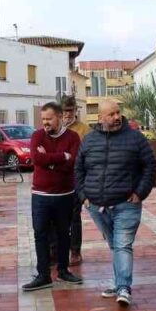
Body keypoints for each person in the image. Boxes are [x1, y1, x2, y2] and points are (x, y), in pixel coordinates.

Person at [75, 99, 156, 306]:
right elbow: (79, 169)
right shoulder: (89, 140)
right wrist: (83, 196)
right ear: (100, 118)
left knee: (122, 245)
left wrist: (140, 192)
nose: (116, 117)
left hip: (126, 204)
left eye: (118, 112)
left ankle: (123, 288)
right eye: (111, 114)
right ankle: (119, 282)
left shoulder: (136, 139)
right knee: (115, 245)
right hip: (97, 206)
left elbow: (150, 166)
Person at [22, 102, 83, 291]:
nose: (45, 123)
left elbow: (72, 163)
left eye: (49, 119)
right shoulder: (37, 135)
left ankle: (63, 270)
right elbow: (36, 159)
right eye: (43, 119)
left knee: (64, 234)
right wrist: (60, 157)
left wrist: (50, 158)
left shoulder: (73, 137)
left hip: (65, 194)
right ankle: (43, 275)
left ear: (59, 117)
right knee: (40, 233)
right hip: (40, 195)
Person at [61, 95, 91, 266]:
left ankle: (75, 251)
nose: (67, 114)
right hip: (57, 180)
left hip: (75, 179)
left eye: (70, 110)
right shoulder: (56, 129)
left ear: (75, 111)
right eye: (64, 110)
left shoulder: (84, 130)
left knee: (74, 217)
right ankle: (56, 250)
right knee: (55, 218)